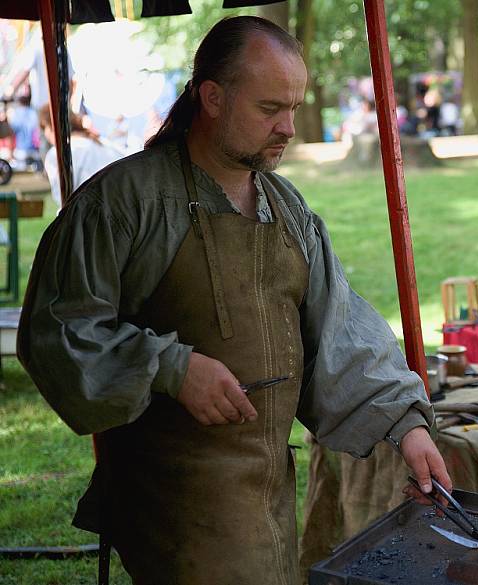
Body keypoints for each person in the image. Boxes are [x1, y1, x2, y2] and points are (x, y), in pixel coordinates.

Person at [18, 16, 451, 585]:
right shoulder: (123, 203)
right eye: (270, 109)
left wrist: (406, 424)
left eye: (294, 108)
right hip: (170, 502)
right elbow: (59, 331)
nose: (288, 127)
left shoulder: (288, 209)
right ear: (213, 97)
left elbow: (339, 331)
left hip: (266, 497)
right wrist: (172, 368)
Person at [39, 106, 123, 208]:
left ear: (51, 127)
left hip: (92, 215)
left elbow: (62, 200)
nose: (46, 134)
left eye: (45, 128)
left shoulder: (56, 154)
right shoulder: (103, 143)